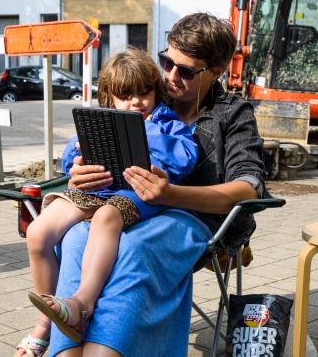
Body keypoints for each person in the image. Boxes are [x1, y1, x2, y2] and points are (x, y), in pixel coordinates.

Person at [41, 12, 265, 357]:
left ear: (217, 72)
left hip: (196, 217)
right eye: (167, 62)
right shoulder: (150, 95)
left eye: (187, 71)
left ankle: (104, 352)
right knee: (74, 238)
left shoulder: (232, 113)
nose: (171, 77)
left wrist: (171, 193)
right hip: (125, 204)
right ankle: (67, 349)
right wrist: (80, 173)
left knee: (133, 249)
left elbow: (249, 188)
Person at [15, 48, 198, 357]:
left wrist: (145, 132)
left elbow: (185, 158)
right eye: (126, 95)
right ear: (111, 97)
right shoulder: (101, 120)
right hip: (96, 189)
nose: (137, 102)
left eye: (144, 93)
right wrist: (79, 163)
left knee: (106, 219)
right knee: (38, 232)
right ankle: (45, 323)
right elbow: (70, 159)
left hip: (135, 194)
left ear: (156, 92)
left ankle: (82, 303)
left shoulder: (167, 123)